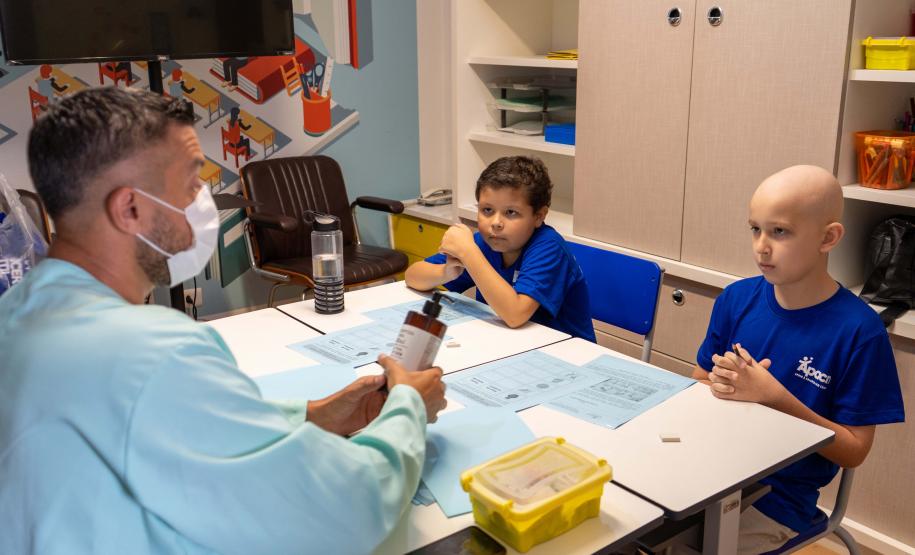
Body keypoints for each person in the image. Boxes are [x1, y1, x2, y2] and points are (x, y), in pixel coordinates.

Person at [0, 87, 447, 554]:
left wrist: (311, 417)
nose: (204, 201)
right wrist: (407, 410)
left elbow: (162, 426)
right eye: (192, 183)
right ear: (130, 208)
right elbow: (344, 510)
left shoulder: (18, 311)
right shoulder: (153, 352)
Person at [692, 165, 905, 554]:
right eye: (755, 229)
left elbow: (854, 450)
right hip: (713, 466)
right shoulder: (736, 300)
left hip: (779, 498)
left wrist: (774, 397)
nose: (761, 246)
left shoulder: (859, 332)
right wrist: (718, 384)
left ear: (829, 238)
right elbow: (700, 380)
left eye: (780, 232)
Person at [405, 155, 595, 341]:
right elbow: (412, 276)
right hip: (510, 343)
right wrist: (446, 272)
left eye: (510, 212)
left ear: (539, 216)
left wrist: (468, 253)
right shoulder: (483, 242)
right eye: (487, 210)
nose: (495, 223)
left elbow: (515, 315)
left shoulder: (549, 247)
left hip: (565, 353)